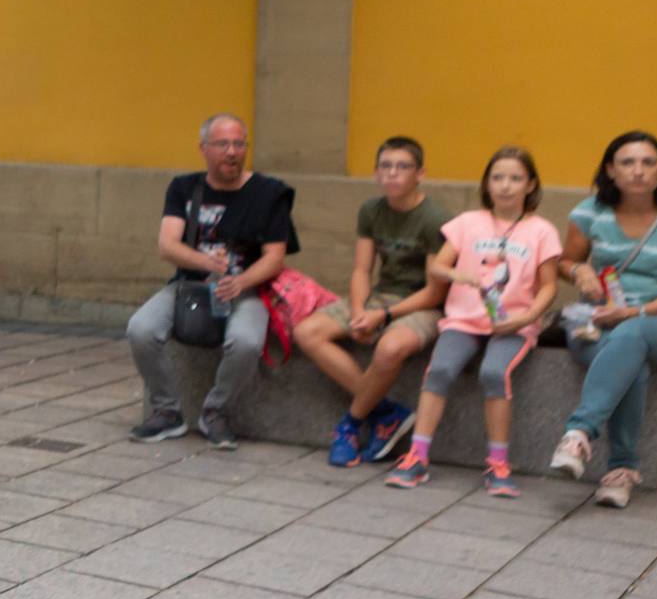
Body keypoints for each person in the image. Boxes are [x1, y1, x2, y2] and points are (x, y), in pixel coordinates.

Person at [549, 130, 657, 507]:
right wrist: (578, 272)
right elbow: (565, 261)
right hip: (596, 319)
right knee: (631, 366)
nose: (637, 171)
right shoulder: (589, 212)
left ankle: (578, 433)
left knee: (633, 332)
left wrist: (633, 312)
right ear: (610, 169)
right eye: (627, 162)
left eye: (648, 162)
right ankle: (621, 471)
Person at [384, 148, 561, 496]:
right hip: (464, 319)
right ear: (487, 183)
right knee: (439, 370)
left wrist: (526, 318)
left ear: (531, 184)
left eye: (515, 178)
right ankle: (417, 457)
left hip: (512, 323)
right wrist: (459, 275)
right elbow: (437, 266)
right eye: (497, 177)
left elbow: (550, 285)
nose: (505, 186)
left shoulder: (541, 230)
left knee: (494, 372)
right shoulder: (467, 222)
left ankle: (498, 464)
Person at [126, 114, 299, 450]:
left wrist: (240, 280)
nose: (232, 152)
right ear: (204, 148)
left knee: (246, 342)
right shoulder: (184, 188)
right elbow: (167, 245)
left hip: (247, 288)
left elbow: (276, 257)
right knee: (141, 329)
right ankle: (167, 411)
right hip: (188, 286)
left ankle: (215, 411)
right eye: (222, 144)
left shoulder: (269, 193)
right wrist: (207, 263)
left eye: (239, 144)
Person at [292, 137, 451, 466]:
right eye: (385, 166)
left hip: (422, 305)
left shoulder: (435, 218)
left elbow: (435, 293)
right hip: (380, 297)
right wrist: (360, 311)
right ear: (377, 173)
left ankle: (349, 424)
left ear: (420, 173)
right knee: (307, 332)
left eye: (402, 167)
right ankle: (385, 411)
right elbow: (362, 270)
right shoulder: (371, 210)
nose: (392, 174)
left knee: (389, 349)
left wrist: (383, 315)